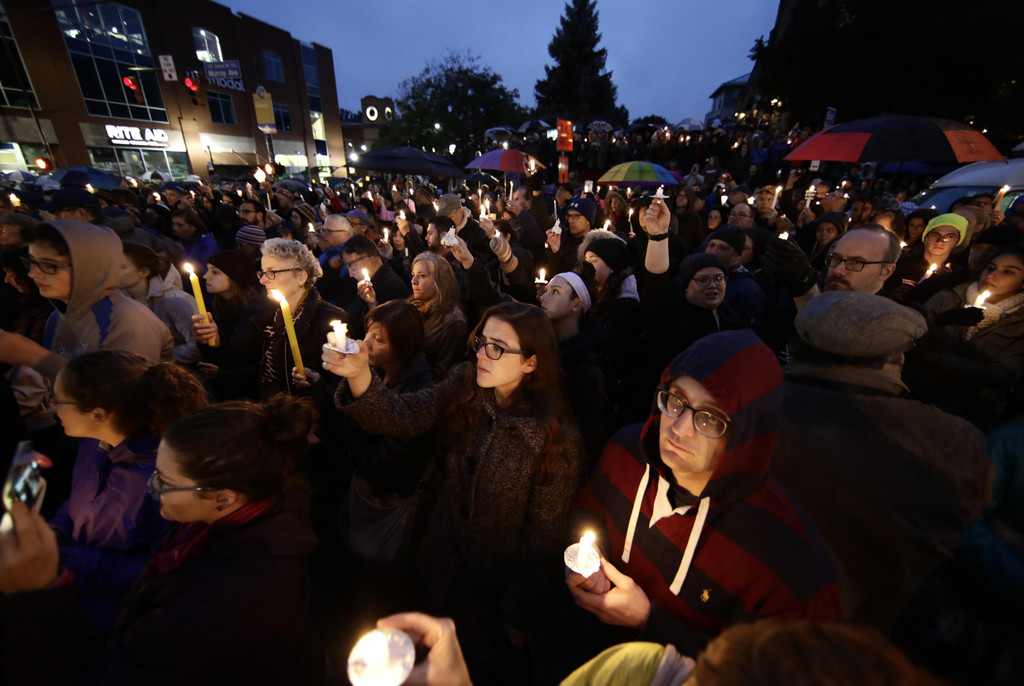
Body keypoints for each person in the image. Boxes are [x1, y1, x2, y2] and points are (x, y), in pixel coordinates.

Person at [325, 301, 582, 680]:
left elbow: (542, 538)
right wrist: (359, 374)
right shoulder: (465, 384)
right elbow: (402, 414)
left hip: (488, 592)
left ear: (530, 362)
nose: (482, 355)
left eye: (497, 348)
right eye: (481, 342)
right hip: (435, 557)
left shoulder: (553, 438)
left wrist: (519, 613)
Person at [0, 394, 323, 684]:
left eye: (165, 482)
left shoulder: (233, 596)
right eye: (156, 472)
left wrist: (37, 593)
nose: (151, 487)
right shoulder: (229, 515)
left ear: (224, 498)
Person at [569, 330, 840, 657]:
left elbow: (755, 674)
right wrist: (583, 560)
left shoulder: (789, 569)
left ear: (746, 435)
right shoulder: (625, 452)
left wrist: (648, 621)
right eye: (677, 400)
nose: (678, 428)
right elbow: (588, 512)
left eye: (710, 418)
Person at [771, 292, 993, 630]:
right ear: (896, 361)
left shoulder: (753, 407)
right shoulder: (952, 439)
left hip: (751, 601)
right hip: (864, 625)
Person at [46, 350, 208, 628]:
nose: (51, 407)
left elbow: (162, 568)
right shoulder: (92, 443)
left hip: (120, 616)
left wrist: (73, 560)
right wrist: (54, 533)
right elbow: (80, 499)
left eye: (59, 400)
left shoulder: (163, 479)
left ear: (98, 414)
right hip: (74, 593)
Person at [0, 220, 174, 384]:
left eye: (50, 265)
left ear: (90, 267)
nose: (33, 274)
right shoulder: (57, 318)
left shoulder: (129, 320)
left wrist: (34, 356)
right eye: (32, 262)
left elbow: (123, 394)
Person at [915, 246, 1024, 427]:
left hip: (973, 411)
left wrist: (937, 360)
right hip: (921, 392)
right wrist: (940, 323)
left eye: (1008, 272)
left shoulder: (1019, 323)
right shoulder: (948, 299)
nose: (993, 275)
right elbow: (913, 337)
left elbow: (1001, 373)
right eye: (991, 268)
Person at [192, 250, 268, 400]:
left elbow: (251, 360)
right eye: (207, 270)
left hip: (246, 394)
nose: (206, 276)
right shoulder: (221, 305)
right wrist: (205, 340)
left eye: (215, 272)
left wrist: (223, 373)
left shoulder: (257, 311)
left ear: (236, 277)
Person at [119, 242, 200, 366]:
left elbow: (196, 345)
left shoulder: (176, 300)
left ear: (144, 272)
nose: (113, 271)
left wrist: (157, 359)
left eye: (122, 267)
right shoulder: (120, 301)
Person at [343, 234, 410, 340]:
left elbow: (386, 335)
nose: (350, 274)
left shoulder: (393, 287)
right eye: (347, 267)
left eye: (352, 266)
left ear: (372, 260)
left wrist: (372, 305)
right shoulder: (357, 282)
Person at [169, 209, 219, 275]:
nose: (175, 228)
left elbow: (210, 271)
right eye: (173, 224)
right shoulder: (184, 242)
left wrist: (184, 256)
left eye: (180, 225)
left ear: (193, 227)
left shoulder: (208, 245)